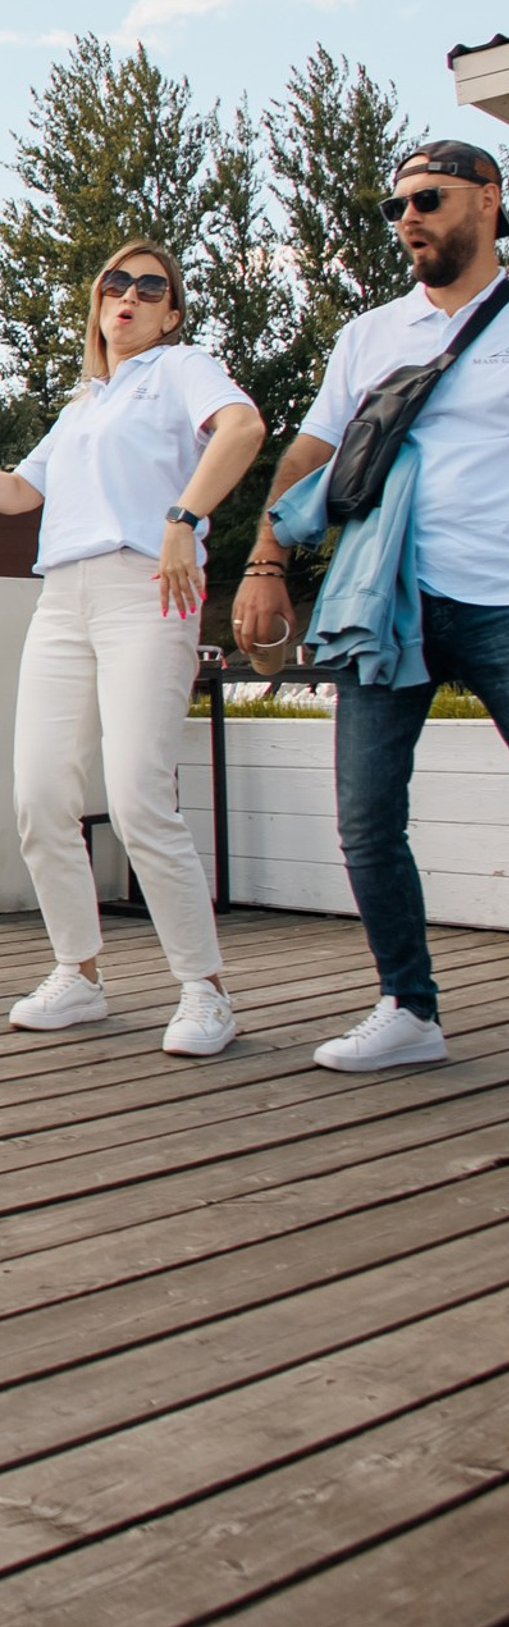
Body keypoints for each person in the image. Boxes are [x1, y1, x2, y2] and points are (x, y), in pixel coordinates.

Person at [0, 238, 264, 1056]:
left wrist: (184, 519)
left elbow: (244, 427)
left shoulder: (183, 368)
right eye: (118, 283)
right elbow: (23, 493)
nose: (132, 297)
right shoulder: (81, 407)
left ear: (171, 312)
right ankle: (79, 973)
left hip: (146, 589)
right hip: (64, 595)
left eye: (153, 289)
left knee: (140, 791)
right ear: (98, 301)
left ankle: (205, 991)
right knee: (39, 792)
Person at [234, 138, 509, 1073]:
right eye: (396, 209)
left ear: (487, 200)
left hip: (503, 600)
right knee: (364, 817)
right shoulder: (370, 336)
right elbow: (311, 454)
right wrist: (267, 556)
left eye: (428, 200)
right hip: (387, 602)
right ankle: (408, 1007)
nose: (409, 221)